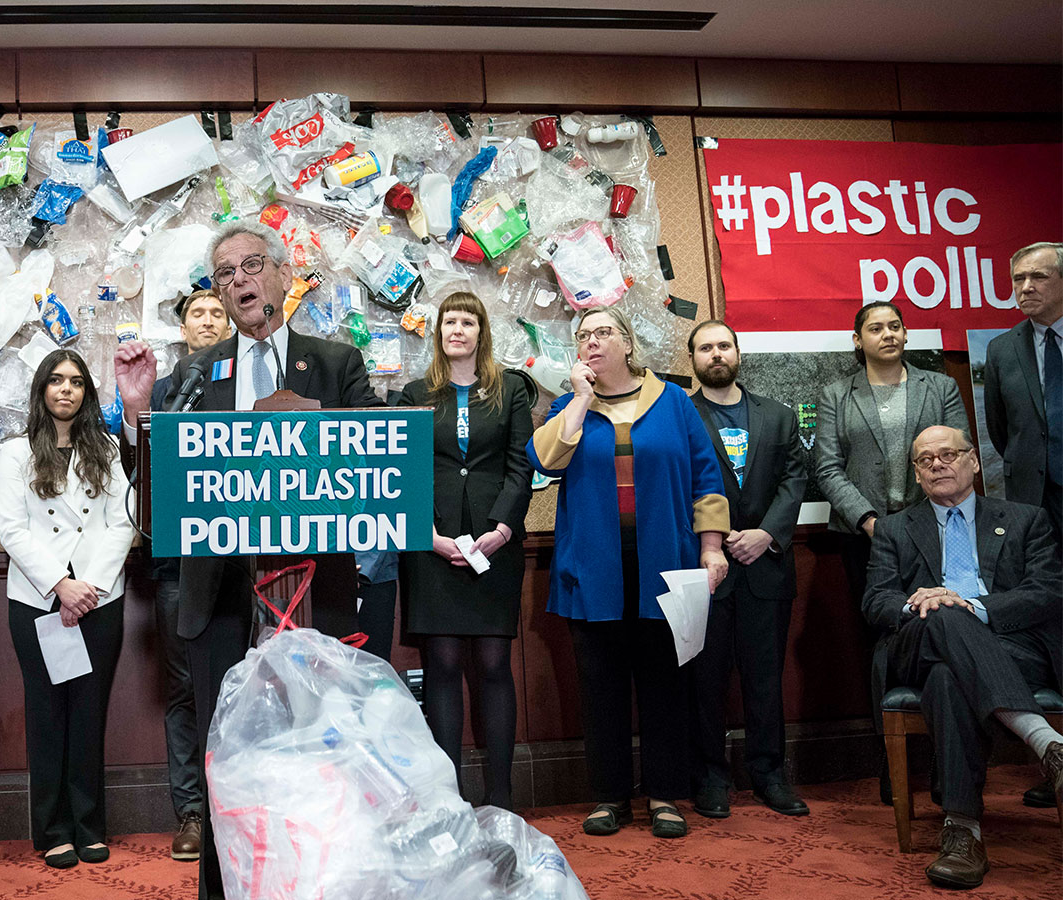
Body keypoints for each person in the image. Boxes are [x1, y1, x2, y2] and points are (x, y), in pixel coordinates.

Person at [114, 220, 381, 898]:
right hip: (218, 598)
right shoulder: (196, 372)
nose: (238, 281)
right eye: (224, 273)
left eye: (251, 266)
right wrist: (138, 410)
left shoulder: (335, 362)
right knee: (226, 761)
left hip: (312, 594)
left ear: (284, 276)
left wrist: (311, 425)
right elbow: (155, 489)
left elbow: (374, 457)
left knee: (317, 758)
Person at [528, 305, 729, 840]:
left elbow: (707, 478)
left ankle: (665, 793)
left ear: (628, 342)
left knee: (666, 684)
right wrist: (578, 401)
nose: (592, 341)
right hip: (593, 568)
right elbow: (544, 461)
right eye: (583, 335)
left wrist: (712, 547)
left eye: (603, 332)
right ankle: (609, 796)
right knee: (601, 686)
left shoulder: (674, 404)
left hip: (666, 562)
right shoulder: (571, 406)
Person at [862, 425, 1063, 889]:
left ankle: (963, 831)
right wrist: (923, 603)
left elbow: (1047, 591)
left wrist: (973, 606)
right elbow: (876, 601)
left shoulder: (1024, 519)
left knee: (948, 677)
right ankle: (1046, 743)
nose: (937, 463)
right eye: (925, 459)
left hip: (1011, 645)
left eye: (948, 453)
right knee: (943, 614)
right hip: (918, 638)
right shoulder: (894, 529)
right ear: (916, 473)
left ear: (973, 461)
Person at [812, 299, 968, 802]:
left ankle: (948, 759)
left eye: (895, 325)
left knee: (944, 629)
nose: (888, 334)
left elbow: (959, 456)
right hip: (866, 537)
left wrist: (918, 523)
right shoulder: (838, 393)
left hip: (937, 528)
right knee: (881, 641)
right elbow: (828, 468)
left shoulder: (938, 386)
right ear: (857, 340)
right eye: (875, 328)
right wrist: (872, 522)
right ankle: (891, 760)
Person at [0, 348, 135, 870]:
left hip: (99, 598)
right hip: (37, 600)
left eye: (76, 382)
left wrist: (88, 586)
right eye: (56, 381)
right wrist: (60, 585)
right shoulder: (14, 452)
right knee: (48, 716)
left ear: (87, 393)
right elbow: (12, 530)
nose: (66, 390)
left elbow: (123, 521)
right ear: (41, 390)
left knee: (88, 714)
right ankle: (53, 829)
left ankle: (89, 825)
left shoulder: (108, 448)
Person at [396, 292, 533, 810]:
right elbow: (405, 473)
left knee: (495, 663)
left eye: (468, 321)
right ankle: (447, 797)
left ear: (481, 332)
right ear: (438, 332)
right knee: (443, 665)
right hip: (431, 545)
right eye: (449, 321)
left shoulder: (510, 392)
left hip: (494, 543)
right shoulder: (413, 394)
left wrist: (502, 530)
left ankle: (502, 795)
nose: (458, 328)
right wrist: (428, 536)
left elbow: (522, 465)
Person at [683, 320, 809, 819]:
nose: (716, 354)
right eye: (705, 348)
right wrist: (713, 537)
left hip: (767, 566)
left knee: (764, 679)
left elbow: (795, 477)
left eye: (724, 345)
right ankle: (711, 777)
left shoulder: (778, 417)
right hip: (705, 569)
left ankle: (768, 774)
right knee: (704, 679)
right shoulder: (681, 414)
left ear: (738, 352)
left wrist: (768, 534)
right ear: (692, 358)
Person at [144, 289, 230, 860]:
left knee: (246, 685)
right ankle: (193, 813)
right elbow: (144, 474)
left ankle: (238, 809)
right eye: (196, 312)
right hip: (179, 562)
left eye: (217, 311)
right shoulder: (164, 390)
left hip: (247, 562)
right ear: (182, 327)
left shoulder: (249, 380)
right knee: (184, 690)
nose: (207, 319)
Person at [984, 241, 1063, 811]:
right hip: (1035, 509)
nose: (1025, 287)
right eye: (1017, 279)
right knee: (1046, 624)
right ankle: (1056, 760)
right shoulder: (1003, 348)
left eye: (1038, 277)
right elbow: (1000, 428)